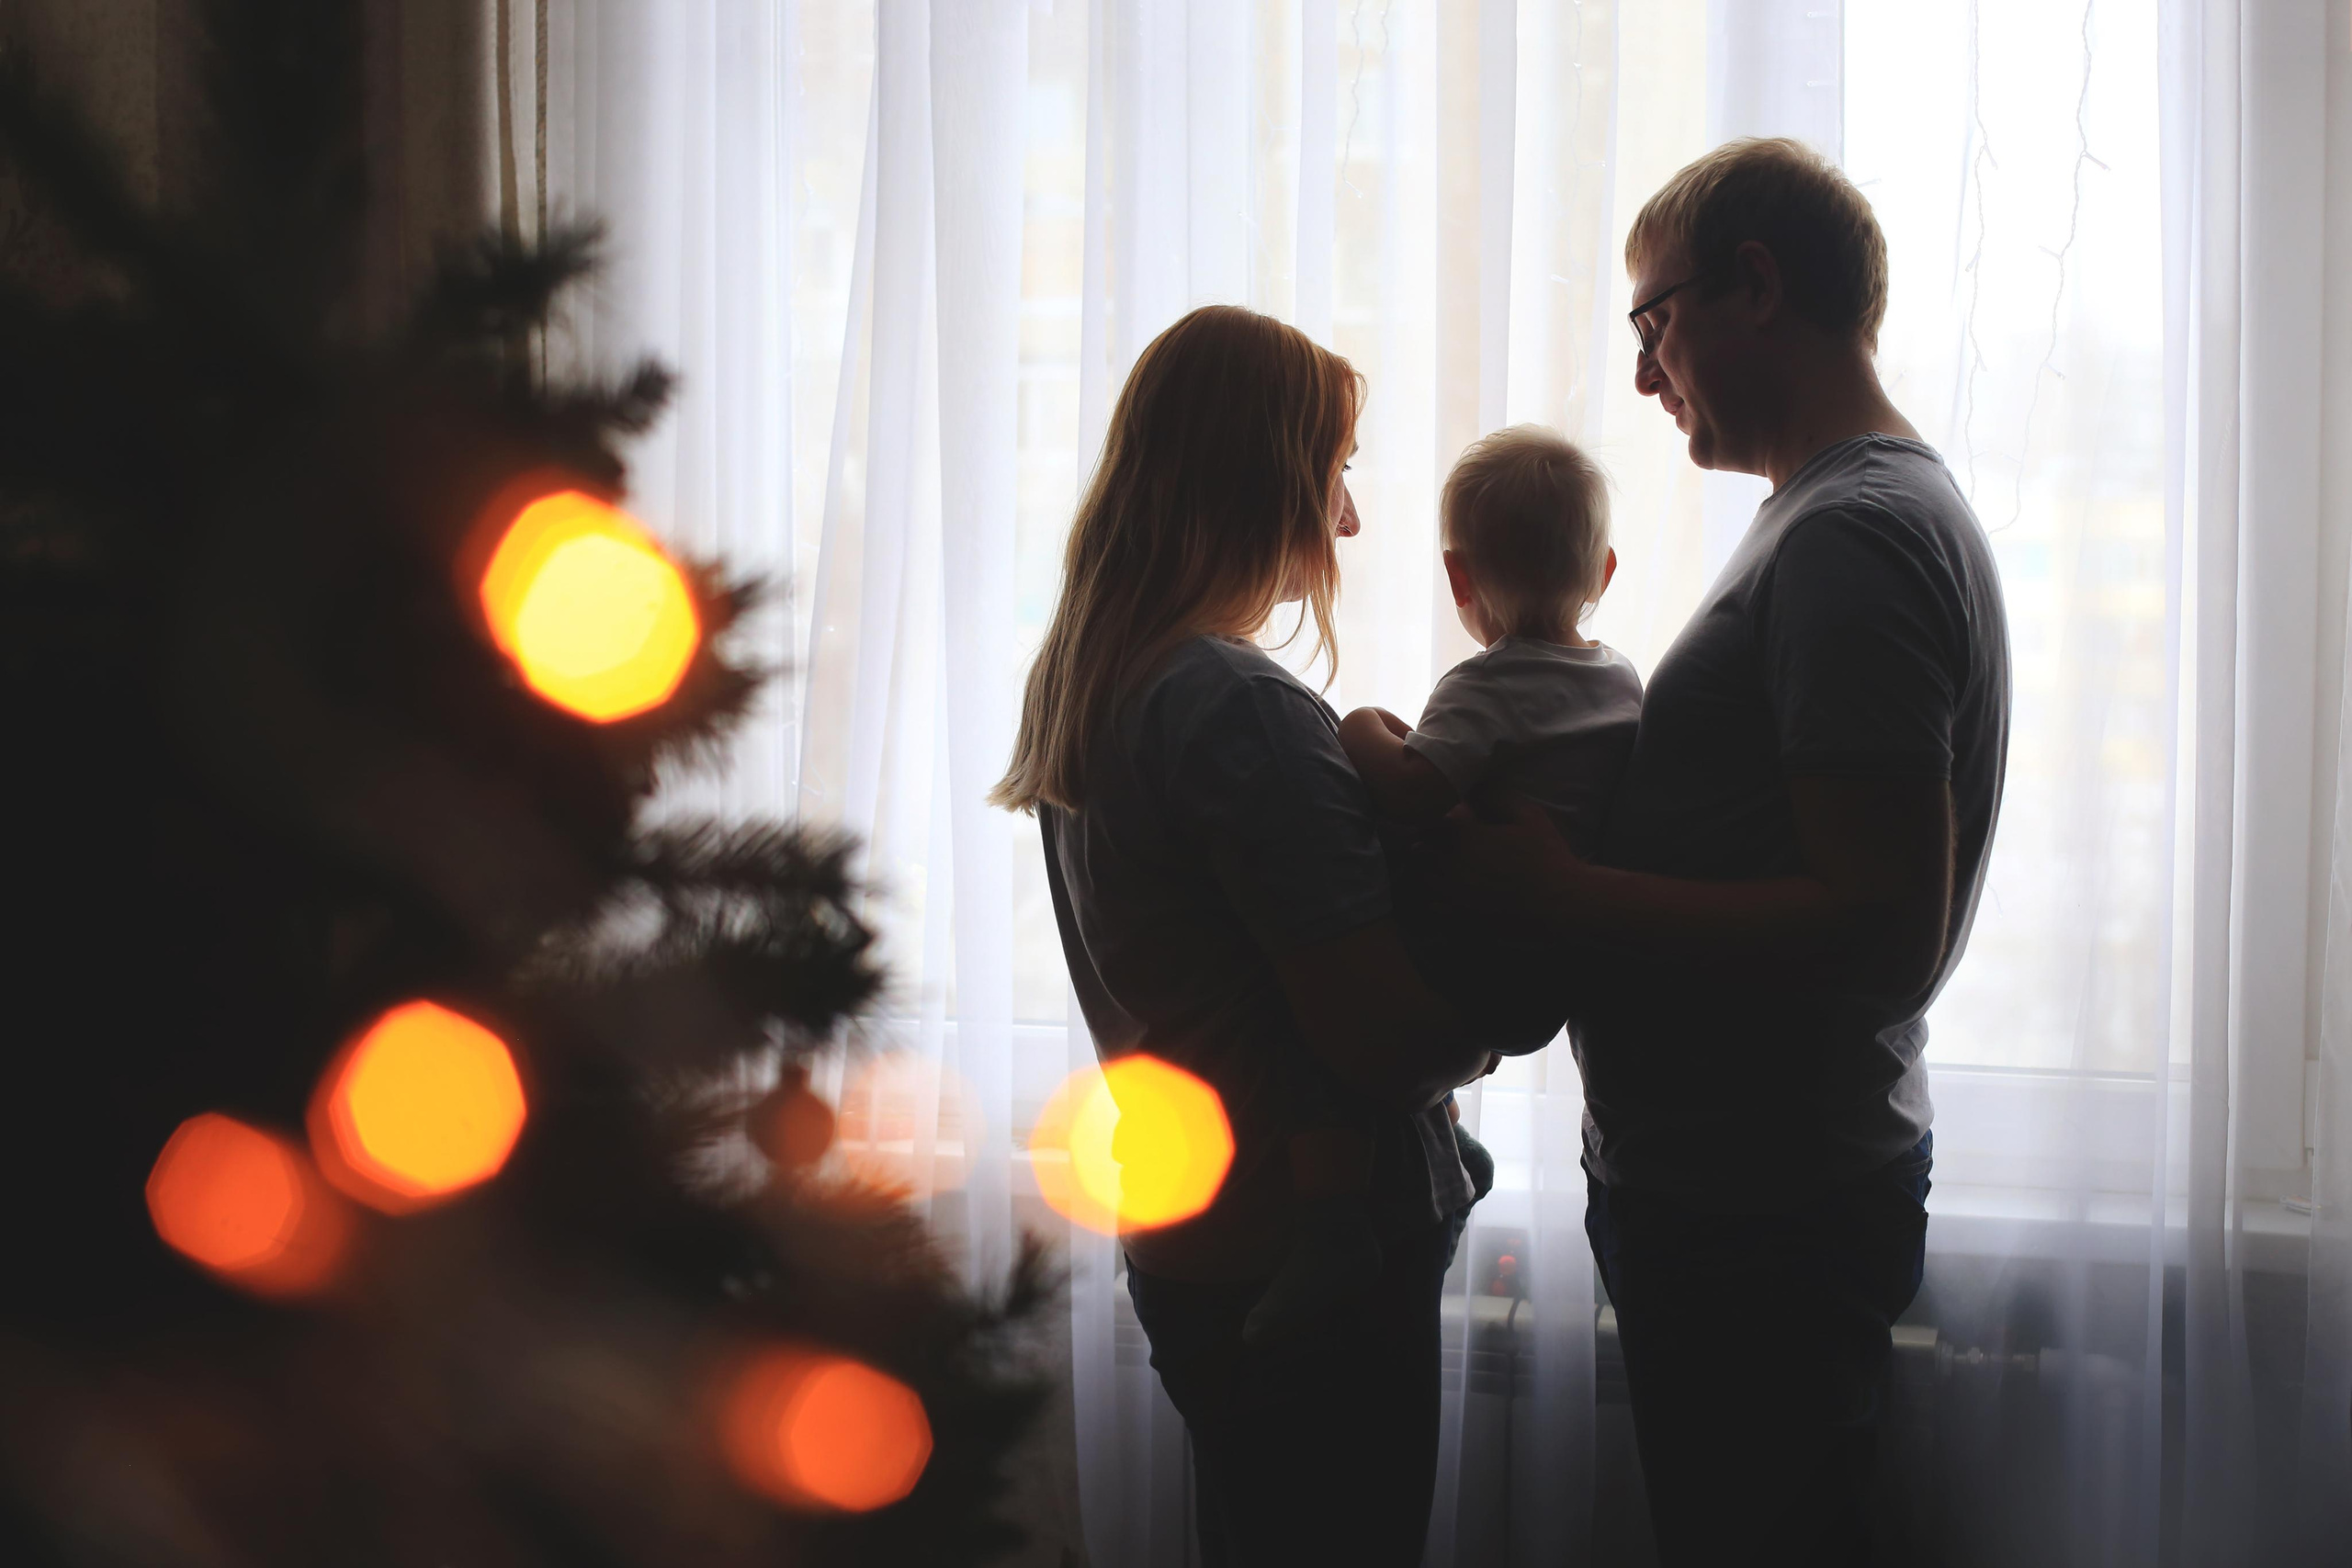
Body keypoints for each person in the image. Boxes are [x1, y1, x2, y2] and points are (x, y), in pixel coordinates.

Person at [1442, 138, 2012, 1564]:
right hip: (1754, 1185)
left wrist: (1565, 892)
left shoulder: (1854, 537)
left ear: (1753, 285)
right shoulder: (1839, 519)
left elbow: (1879, 924)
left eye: (1655, 320)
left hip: (1762, 1203)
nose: (1646, 374)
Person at [991, 304, 1501, 1565]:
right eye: (1335, 473)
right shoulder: (1232, 703)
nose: (1349, 520)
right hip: (1305, 1247)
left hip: (1196, 1239)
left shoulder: (1096, 680)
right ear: (1267, 477)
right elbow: (1376, 1033)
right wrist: (1509, 998)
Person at [1231, 427, 1642, 1345]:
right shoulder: (1621, 681)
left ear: (1460, 581)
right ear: (1604, 570)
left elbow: (1413, 787)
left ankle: (1335, 1223)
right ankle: (1447, 1137)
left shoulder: (1486, 686)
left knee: (1312, 1017)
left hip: (1480, 958)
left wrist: (1362, 728)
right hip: (1559, 971)